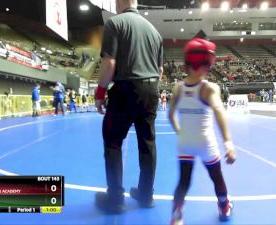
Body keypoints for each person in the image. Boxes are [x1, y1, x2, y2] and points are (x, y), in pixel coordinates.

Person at [94, 0, 163, 214]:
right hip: (151, 90)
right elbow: (159, 70)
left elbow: (110, 63)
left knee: (113, 143)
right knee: (147, 144)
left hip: (125, 89)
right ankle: (146, 195)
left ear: (119, 3)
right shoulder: (155, 32)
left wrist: (100, 93)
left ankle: (115, 199)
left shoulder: (115, 23)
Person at [168, 38, 236, 224]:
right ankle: (224, 206)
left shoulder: (178, 88)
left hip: (185, 142)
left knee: (184, 181)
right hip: (205, 143)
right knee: (217, 177)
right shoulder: (209, 88)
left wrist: (180, 132)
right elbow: (219, 111)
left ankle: (176, 217)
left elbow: (170, 115)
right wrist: (228, 143)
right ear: (206, 63)